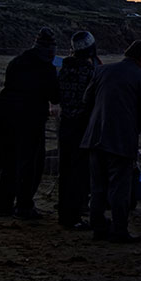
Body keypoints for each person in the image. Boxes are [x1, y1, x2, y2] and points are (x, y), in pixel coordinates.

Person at [81, 40, 141, 243]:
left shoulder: (102, 71)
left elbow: (87, 100)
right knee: (119, 187)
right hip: (121, 141)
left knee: (97, 186)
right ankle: (119, 230)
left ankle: (98, 227)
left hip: (95, 137)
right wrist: (131, 131)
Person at [0, 27, 60, 219]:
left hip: (6, 114)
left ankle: (4, 204)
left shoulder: (17, 61)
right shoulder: (46, 68)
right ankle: (24, 206)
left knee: (8, 160)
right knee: (29, 163)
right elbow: (54, 95)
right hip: (29, 118)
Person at [56, 30, 102, 229]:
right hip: (83, 125)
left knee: (65, 169)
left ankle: (65, 210)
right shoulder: (90, 71)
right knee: (79, 171)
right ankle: (73, 216)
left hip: (65, 123)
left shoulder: (64, 68)